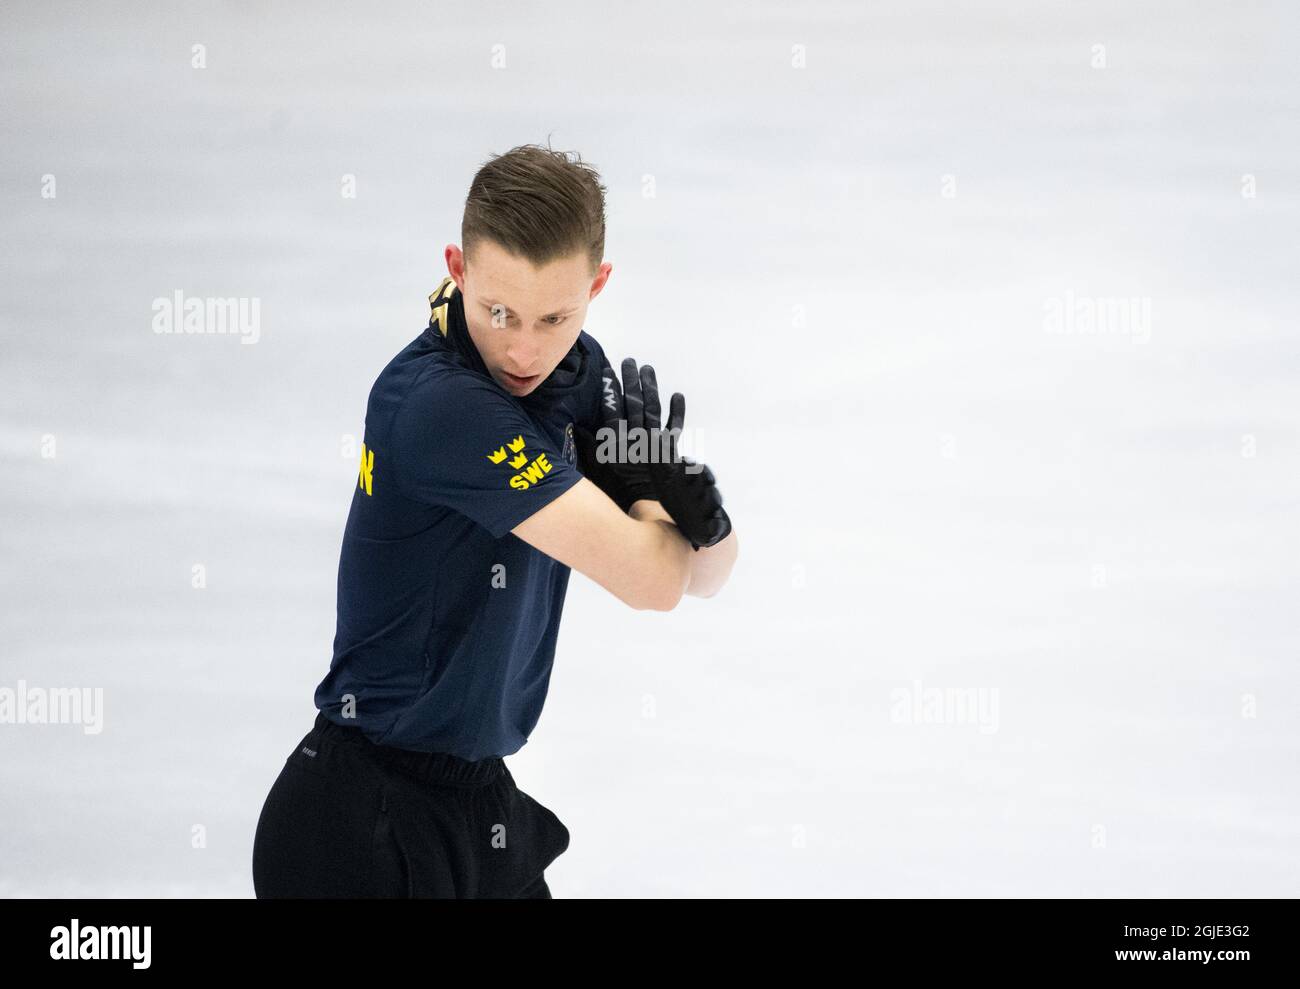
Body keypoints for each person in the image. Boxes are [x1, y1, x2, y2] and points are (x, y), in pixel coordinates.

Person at [252, 143, 739, 898]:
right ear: (458, 267)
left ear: (597, 284)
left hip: (478, 811)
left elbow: (701, 577)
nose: (524, 348)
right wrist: (656, 507)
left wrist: (703, 512)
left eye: (556, 317)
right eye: (500, 312)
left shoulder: (578, 373)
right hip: (361, 829)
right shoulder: (440, 406)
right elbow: (651, 581)